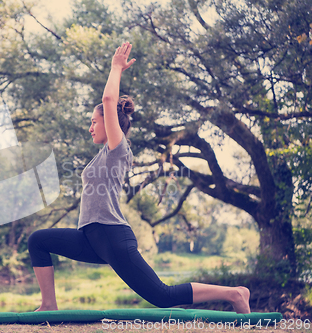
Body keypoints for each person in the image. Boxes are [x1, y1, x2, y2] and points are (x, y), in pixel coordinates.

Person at [27, 42, 250, 313]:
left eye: (94, 122)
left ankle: (235, 293)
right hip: (90, 237)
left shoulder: (117, 150)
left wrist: (115, 68)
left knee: (163, 296)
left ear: (110, 124)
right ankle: (49, 305)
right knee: (38, 240)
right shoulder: (101, 157)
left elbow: (109, 101)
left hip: (111, 235)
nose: (90, 128)